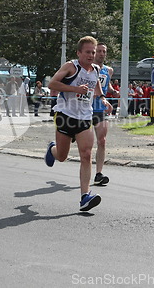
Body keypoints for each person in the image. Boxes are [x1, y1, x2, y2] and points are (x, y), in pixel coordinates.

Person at [44, 36, 112, 211]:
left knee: (86, 154)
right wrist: (75, 89)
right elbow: (52, 84)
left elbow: (95, 84)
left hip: (84, 117)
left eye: (93, 52)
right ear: (79, 52)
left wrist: (103, 99)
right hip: (65, 115)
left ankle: (85, 196)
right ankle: (52, 150)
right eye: (88, 52)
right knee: (62, 156)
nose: (91, 55)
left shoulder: (96, 69)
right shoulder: (71, 66)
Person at [91, 42, 115, 186]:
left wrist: (112, 90)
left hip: (100, 109)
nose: (101, 54)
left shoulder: (108, 70)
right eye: (99, 51)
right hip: (84, 109)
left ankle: (98, 174)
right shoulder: (87, 68)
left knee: (102, 141)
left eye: (103, 51)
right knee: (78, 142)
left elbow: (107, 85)